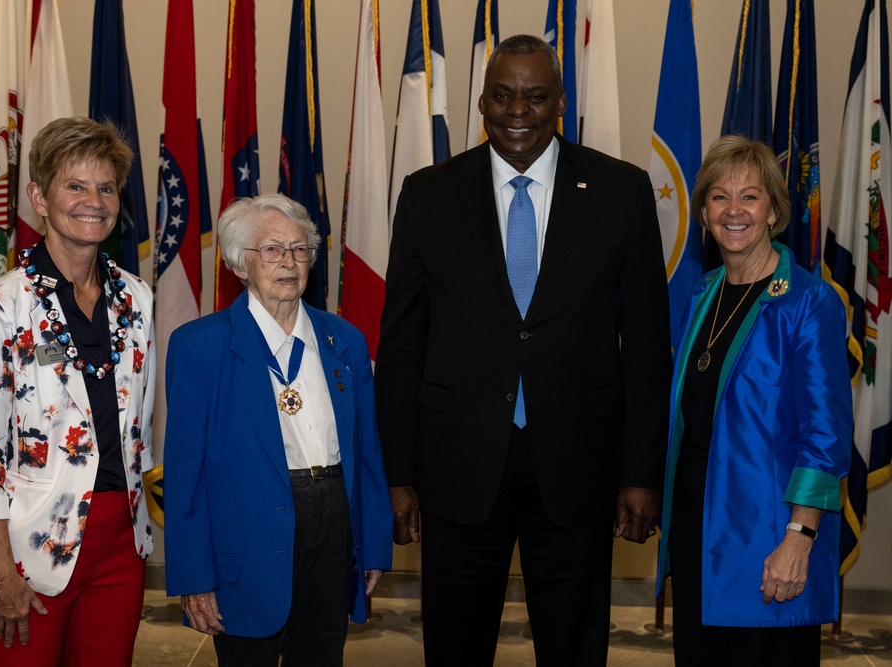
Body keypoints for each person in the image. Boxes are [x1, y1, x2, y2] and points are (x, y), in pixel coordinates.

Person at [375, 33, 672, 665]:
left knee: (574, 649)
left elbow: (647, 347)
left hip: (578, 467)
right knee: (455, 648)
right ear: (481, 102)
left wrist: (642, 473)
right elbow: (401, 345)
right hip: (457, 469)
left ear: (560, 103)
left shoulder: (620, 192)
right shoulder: (428, 194)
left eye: (536, 97)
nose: (518, 112)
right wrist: (397, 474)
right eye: (504, 96)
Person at [0, 116, 157, 665]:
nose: (94, 201)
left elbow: (137, 430)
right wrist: (2, 571)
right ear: (39, 197)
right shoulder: (3, 304)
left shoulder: (137, 299)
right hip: (29, 543)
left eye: (105, 187)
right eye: (75, 185)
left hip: (120, 543)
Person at [162, 193, 393, 666]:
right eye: (271, 249)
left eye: (299, 248)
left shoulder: (345, 341)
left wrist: (373, 543)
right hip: (245, 541)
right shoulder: (199, 347)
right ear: (239, 265)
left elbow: (367, 453)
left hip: (332, 532)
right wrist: (192, 577)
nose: (289, 261)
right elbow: (185, 474)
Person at [656, 135, 852, 665]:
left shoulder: (809, 303)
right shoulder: (703, 295)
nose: (734, 210)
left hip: (769, 543)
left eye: (751, 196)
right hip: (698, 533)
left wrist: (799, 539)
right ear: (703, 211)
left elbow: (826, 440)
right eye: (720, 197)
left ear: (774, 212)